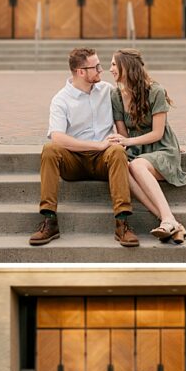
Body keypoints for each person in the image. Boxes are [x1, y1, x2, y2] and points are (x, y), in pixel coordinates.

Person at [30, 48, 139, 247]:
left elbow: (139, 106)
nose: (101, 69)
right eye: (96, 66)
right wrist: (96, 145)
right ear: (81, 72)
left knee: (116, 150)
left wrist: (162, 143)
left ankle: (122, 223)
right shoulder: (61, 99)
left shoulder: (107, 91)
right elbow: (57, 137)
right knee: (49, 149)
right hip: (75, 162)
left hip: (105, 161)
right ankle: (49, 220)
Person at [107, 49, 186, 243]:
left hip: (162, 148)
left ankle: (168, 220)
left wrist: (128, 141)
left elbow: (157, 133)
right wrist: (118, 141)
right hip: (138, 151)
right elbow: (123, 134)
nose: (110, 69)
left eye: (114, 64)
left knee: (136, 165)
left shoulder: (155, 91)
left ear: (126, 67)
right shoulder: (116, 95)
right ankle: (170, 220)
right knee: (124, 168)